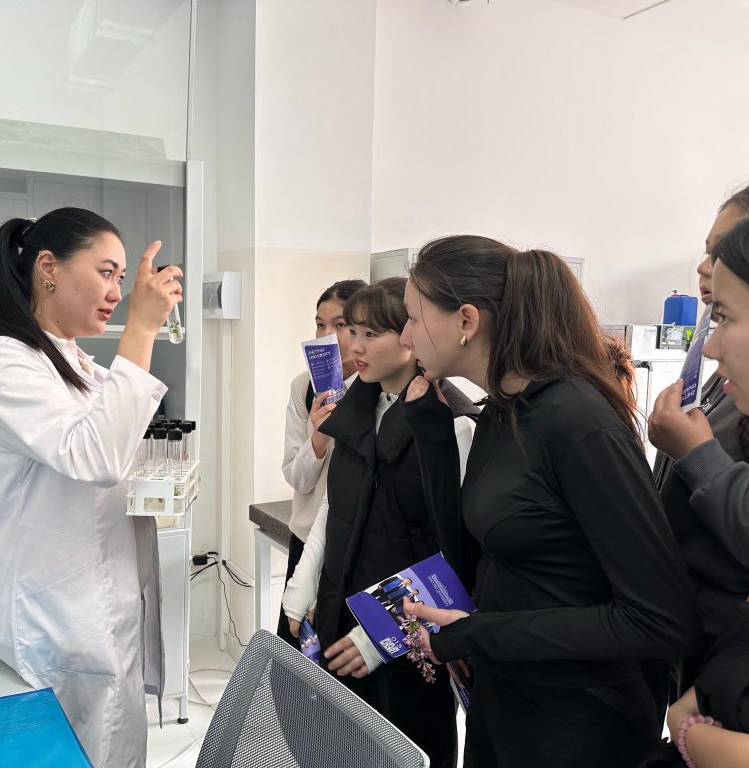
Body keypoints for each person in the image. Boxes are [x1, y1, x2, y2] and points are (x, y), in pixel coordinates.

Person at [399, 235, 702, 768]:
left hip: (578, 721)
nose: (405, 336)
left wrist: (478, 633)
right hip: (508, 697)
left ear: (466, 321)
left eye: (413, 318)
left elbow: (659, 619)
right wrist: (432, 436)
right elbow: (480, 558)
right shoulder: (502, 411)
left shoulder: (575, 420)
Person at [0, 207, 181, 768]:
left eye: (121, 279)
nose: (117, 293)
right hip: (50, 619)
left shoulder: (74, 361)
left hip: (93, 604)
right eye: (106, 273)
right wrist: (141, 329)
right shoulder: (3, 360)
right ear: (49, 268)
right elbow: (95, 457)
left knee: (113, 745)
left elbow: (117, 447)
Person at [283, 278, 478, 768]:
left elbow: (456, 554)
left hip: (407, 637)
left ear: (409, 338)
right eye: (352, 331)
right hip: (337, 615)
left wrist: (379, 634)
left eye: (371, 334)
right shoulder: (353, 406)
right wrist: (304, 582)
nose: (353, 346)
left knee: (403, 748)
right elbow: (335, 505)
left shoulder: (452, 422)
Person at [649, 175, 749, 698]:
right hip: (703, 628)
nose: (704, 267)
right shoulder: (721, 353)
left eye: (720, 252)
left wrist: (695, 454)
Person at [278, 278, 366, 647]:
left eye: (340, 325)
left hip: (352, 546)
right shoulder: (305, 387)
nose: (327, 335)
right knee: (294, 654)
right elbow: (296, 478)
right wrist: (318, 437)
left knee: (335, 658)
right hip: (305, 540)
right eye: (319, 324)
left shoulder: (376, 390)